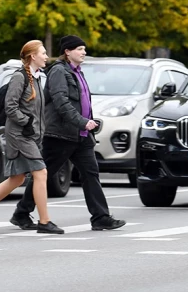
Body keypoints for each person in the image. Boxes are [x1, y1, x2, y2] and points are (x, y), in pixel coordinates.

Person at [10, 35, 126, 231]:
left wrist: (89, 122)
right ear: (67, 51)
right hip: (60, 135)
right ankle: (22, 213)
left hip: (80, 135)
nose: (84, 52)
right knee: (44, 175)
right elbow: (60, 102)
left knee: (91, 174)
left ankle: (100, 217)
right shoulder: (58, 72)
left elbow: (82, 103)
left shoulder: (78, 72)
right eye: (80, 49)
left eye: (84, 49)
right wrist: (83, 122)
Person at [0, 40, 64, 234]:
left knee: (17, 179)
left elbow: (37, 111)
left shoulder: (37, 78)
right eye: (43, 53)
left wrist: (37, 130)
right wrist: (26, 122)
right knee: (41, 173)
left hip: (29, 135)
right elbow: (11, 107)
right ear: (32, 56)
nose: (46, 56)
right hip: (19, 135)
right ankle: (45, 221)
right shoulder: (20, 78)